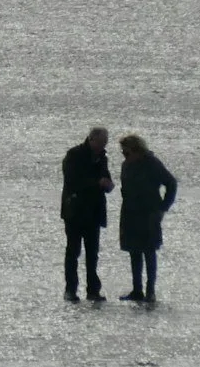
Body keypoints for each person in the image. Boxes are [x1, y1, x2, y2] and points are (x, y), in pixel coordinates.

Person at [116, 133, 178, 304]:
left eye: (127, 153)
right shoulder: (126, 166)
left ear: (137, 150)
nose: (125, 156)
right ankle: (137, 290)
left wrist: (163, 208)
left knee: (149, 251)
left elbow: (171, 183)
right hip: (130, 213)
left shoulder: (152, 164)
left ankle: (150, 291)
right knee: (134, 252)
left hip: (149, 213)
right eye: (123, 153)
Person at [60, 126, 113, 302]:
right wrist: (97, 183)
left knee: (92, 253)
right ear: (91, 139)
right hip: (74, 211)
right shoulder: (74, 155)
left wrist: (108, 184)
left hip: (94, 212)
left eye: (105, 143)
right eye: (101, 143)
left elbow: (106, 176)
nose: (103, 146)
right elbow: (72, 180)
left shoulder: (102, 158)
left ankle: (93, 290)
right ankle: (70, 289)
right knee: (73, 251)